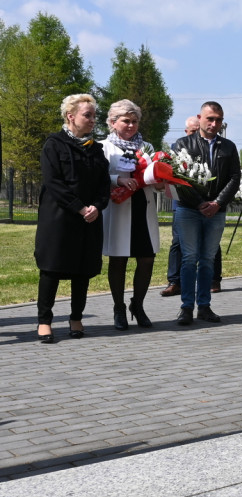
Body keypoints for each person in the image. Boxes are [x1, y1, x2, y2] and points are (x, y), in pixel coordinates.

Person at [35, 94, 110, 343]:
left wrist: (97, 207)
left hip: (89, 219)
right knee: (51, 269)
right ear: (71, 116)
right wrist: (79, 207)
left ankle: (76, 318)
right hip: (59, 218)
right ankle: (45, 321)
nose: (92, 120)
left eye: (93, 115)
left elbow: (103, 185)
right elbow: (53, 183)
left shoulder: (96, 149)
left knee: (82, 270)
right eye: (87, 115)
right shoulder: (53, 144)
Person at [171, 101, 241, 325]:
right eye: (210, 118)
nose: (214, 123)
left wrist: (218, 203)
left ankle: (204, 306)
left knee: (208, 260)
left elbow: (234, 178)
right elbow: (177, 178)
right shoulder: (183, 144)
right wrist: (201, 202)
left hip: (216, 212)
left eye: (218, 120)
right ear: (199, 117)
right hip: (189, 210)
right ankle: (186, 308)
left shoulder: (228, 147)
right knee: (189, 258)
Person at [101, 99, 161, 330]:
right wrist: (118, 179)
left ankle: (138, 304)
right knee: (119, 260)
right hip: (119, 210)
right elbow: (97, 177)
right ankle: (119, 307)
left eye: (135, 121)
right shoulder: (104, 147)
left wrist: (159, 181)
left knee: (146, 259)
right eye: (126, 121)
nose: (131, 125)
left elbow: (155, 173)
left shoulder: (146, 147)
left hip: (142, 209)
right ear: (113, 122)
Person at [161, 116, 199, 297]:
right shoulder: (177, 147)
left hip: (204, 202)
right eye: (192, 131)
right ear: (186, 132)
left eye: (197, 130)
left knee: (208, 245)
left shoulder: (204, 147)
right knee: (177, 242)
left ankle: (213, 279)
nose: (195, 134)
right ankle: (174, 281)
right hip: (181, 202)